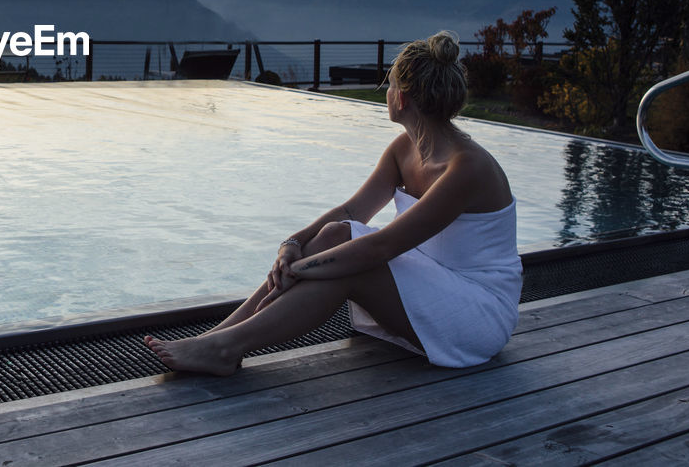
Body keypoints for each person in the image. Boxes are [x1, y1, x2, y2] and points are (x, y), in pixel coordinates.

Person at [144, 30, 521, 374]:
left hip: (478, 312)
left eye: (388, 85)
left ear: (401, 98)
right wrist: (291, 245)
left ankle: (225, 348)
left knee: (353, 264)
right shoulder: (404, 150)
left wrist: (305, 269)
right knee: (335, 232)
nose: (385, 92)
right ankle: (220, 338)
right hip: (434, 283)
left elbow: (383, 246)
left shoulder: (465, 167)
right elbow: (351, 213)